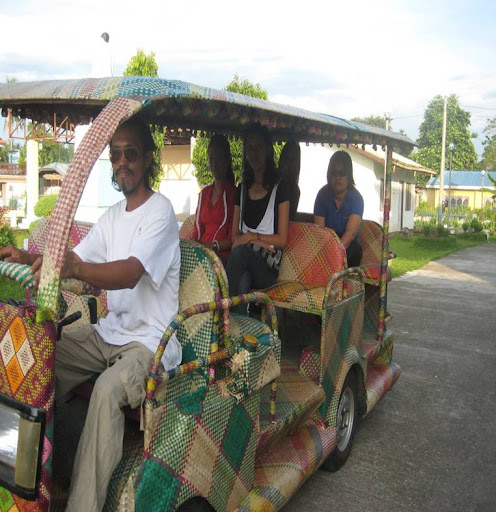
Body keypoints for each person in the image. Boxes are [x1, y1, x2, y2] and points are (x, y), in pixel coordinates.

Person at [0, 116, 181, 512]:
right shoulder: (114, 215)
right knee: (37, 357)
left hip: (149, 343)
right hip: (109, 333)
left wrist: (77, 270)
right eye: (115, 154)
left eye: (130, 153)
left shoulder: (161, 213)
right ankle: (26, 473)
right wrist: (28, 256)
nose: (121, 162)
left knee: (106, 391)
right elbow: (75, 259)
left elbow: (131, 273)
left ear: (148, 158)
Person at [226, 124, 290, 314]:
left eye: (258, 148)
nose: (253, 153)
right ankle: (237, 331)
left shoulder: (281, 188)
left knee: (240, 254)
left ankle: (221, 316)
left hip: (268, 269)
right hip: (246, 264)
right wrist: (250, 241)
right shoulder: (242, 188)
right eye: (250, 148)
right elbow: (234, 238)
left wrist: (251, 237)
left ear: (268, 150)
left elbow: (281, 240)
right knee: (243, 279)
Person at [313, 150, 364, 267]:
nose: (338, 177)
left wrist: (335, 254)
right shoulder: (322, 195)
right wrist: (327, 252)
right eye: (334, 173)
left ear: (349, 175)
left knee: (355, 250)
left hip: (349, 248)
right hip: (326, 244)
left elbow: (350, 234)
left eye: (342, 173)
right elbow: (320, 231)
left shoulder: (356, 198)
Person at [191, 134, 236, 263]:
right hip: (201, 253)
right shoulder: (204, 194)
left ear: (227, 160)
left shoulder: (234, 194)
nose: (214, 164)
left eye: (219, 158)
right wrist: (194, 245)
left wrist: (212, 246)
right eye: (211, 159)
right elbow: (197, 230)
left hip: (221, 256)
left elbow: (233, 238)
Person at [278, 140, 301, 220]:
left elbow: (288, 219)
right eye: (286, 158)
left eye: (292, 161)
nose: (287, 164)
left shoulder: (294, 191)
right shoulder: (271, 179)